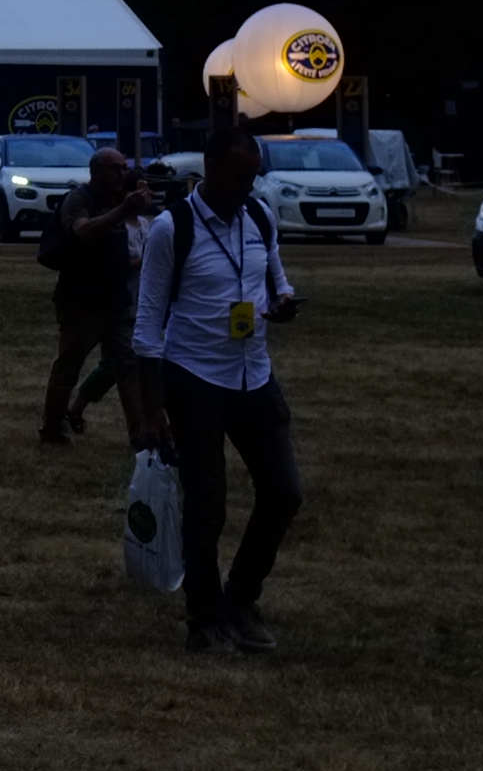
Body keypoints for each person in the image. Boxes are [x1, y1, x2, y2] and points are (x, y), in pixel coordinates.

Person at [130, 131, 304, 655]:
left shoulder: (259, 217)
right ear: (209, 167)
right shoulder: (173, 228)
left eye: (252, 176)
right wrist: (152, 405)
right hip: (194, 378)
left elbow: (277, 279)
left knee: (283, 493)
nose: (245, 186)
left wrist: (285, 301)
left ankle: (240, 599)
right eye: (237, 176)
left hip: (254, 374)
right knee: (207, 506)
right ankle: (204, 621)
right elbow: (147, 320)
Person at [37, 150, 158, 447]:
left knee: (129, 366)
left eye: (123, 168)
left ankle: (140, 435)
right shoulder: (80, 199)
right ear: (96, 171)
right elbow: (82, 231)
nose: (121, 173)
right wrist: (123, 209)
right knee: (69, 365)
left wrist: (137, 205)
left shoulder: (119, 199)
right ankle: (53, 427)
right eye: (114, 168)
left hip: (117, 299)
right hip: (81, 299)